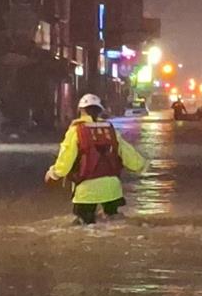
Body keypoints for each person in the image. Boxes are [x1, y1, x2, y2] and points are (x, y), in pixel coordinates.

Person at [45, 94, 147, 224]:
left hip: (86, 190)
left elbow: (65, 160)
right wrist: (143, 166)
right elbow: (128, 154)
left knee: (85, 224)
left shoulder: (76, 131)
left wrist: (53, 174)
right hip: (112, 189)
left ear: (81, 110)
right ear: (100, 110)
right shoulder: (110, 130)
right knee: (113, 221)